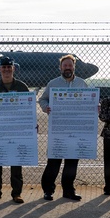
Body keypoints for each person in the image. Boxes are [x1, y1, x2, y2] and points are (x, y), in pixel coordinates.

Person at [38, 54, 88, 201]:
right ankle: (48, 190)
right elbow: (42, 99)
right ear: (60, 67)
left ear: (74, 67)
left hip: (75, 129)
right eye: (65, 65)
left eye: (70, 65)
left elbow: (87, 101)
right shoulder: (53, 84)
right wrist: (46, 107)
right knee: (54, 162)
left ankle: (68, 190)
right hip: (58, 129)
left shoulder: (82, 84)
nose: (67, 68)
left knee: (72, 162)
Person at [0, 58, 29, 204]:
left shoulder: (22, 87)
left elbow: (28, 109)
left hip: (17, 131)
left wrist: (30, 125)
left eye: (9, 67)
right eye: (4, 67)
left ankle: (17, 193)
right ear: (0, 69)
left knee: (16, 162)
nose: (7, 69)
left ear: (13, 68)